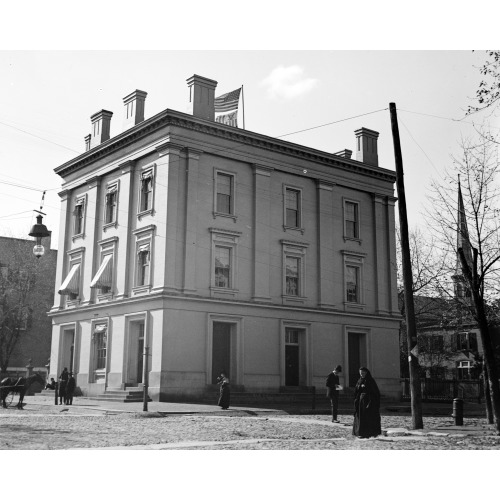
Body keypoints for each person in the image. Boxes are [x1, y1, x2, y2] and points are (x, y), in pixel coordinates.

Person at [352, 367, 382, 439]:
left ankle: (369, 433)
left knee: (368, 417)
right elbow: (356, 390)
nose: (361, 375)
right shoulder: (359, 380)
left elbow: (375, 392)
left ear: (366, 373)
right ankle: (360, 432)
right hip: (361, 401)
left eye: (363, 373)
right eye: (360, 373)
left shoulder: (370, 380)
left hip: (369, 401)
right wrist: (359, 387)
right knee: (361, 417)